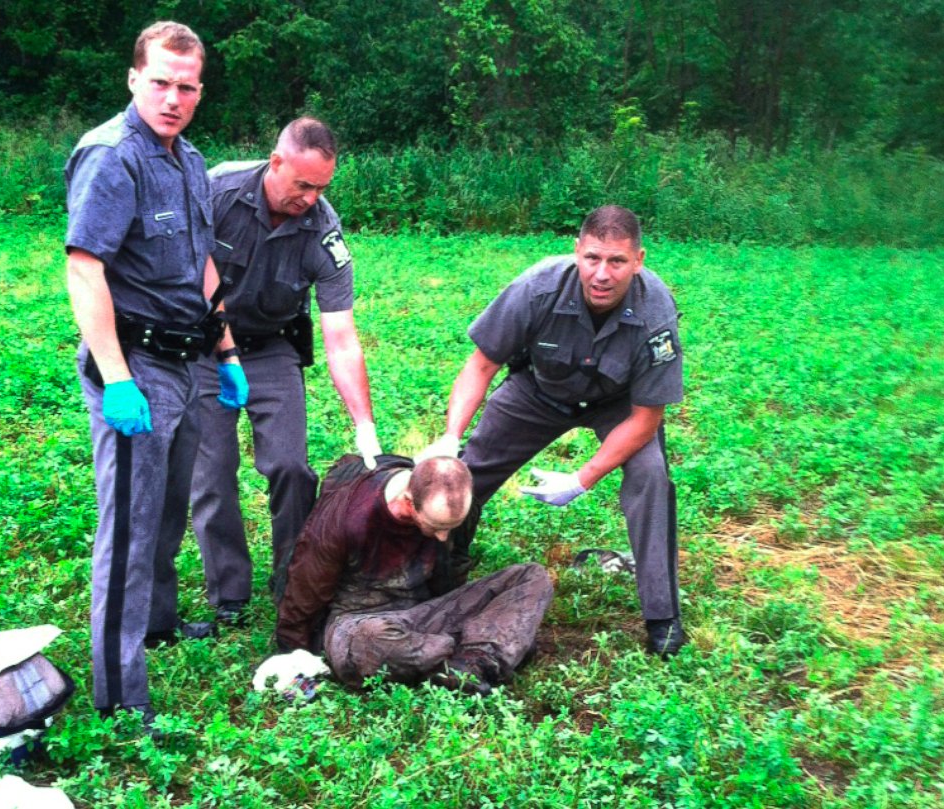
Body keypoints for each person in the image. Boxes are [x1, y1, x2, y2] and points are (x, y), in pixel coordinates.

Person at [64, 21, 248, 724]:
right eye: (161, 82)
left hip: (187, 359)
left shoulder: (188, 160)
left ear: (200, 91)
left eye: (187, 86)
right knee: (130, 527)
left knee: (169, 508)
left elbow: (201, 262)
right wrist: (115, 378)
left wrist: (226, 350)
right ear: (134, 77)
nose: (173, 97)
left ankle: (159, 623)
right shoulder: (112, 157)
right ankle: (119, 692)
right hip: (134, 361)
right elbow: (85, 268)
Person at [419, 205, 687, 658]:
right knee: (465, 471)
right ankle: (439, 568)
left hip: (617, 404)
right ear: (577, 251)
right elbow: (482, 364)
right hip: (540, 391)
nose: (602, 274)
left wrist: (582, 479)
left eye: (617, 262)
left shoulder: (655, 313)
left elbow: (645, 418)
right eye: (593, 258)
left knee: (651, 477)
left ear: (638, 260)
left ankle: (662, 615)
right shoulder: (536, 287)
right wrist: (450, 437)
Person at [190, 117, 381, 624]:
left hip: (272, 347)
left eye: (321, 187)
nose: (311, 198)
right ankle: (229, 594)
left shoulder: (324, 231)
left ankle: (292, 582)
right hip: (208, 346)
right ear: (275, 162)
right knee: (211, 474)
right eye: (302, 185)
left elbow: (341, 336)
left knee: (291, 468)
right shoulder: (216, 192)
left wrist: (365, 427)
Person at [275, 455, 553, 695]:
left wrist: (460, 608)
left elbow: (455, 570)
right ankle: (475, 656)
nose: (444, 536)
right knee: (370, 641)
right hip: (359, 622)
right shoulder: (347, 519)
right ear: (408, 502)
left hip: (427, 613)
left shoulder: (457, 511)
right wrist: (292, 654)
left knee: (532, 577)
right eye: (436, 527)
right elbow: (305, 588)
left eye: (450, 528)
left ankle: (464, 663)